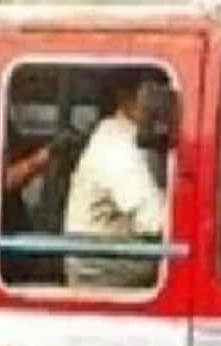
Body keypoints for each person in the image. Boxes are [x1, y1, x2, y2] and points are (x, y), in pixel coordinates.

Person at [63, 70, 170, 288]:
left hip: (125, 257)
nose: (161, 106)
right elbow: (153, 218)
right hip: (103, 272)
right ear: (125, 97)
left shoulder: (142, 137)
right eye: (153, 95)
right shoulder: (116, 144)